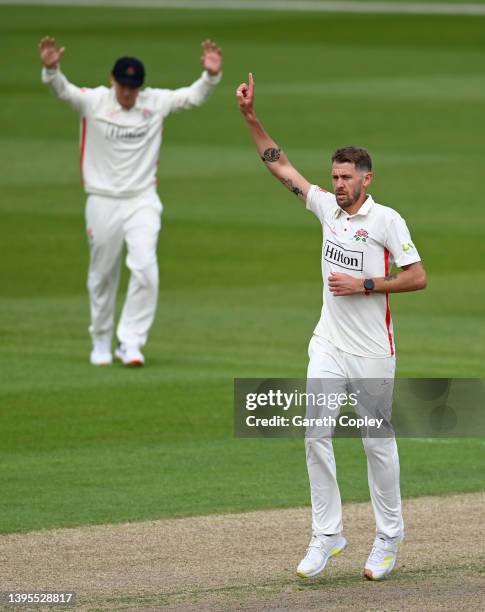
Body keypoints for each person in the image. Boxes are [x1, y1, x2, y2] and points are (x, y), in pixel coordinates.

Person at [236, 73, 427, 581]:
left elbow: (418, 277)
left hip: (372, 351)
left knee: (375, 441)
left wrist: (366, 285)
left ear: (367, 178)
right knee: (314, 433)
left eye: (347, 177)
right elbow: (282, 168)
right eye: (335, 176)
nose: (338, 184)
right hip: (328, 343)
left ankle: (389, 537)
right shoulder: (326, 209)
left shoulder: (387, 221)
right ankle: (328, 535)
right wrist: (252, 117)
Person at [38, 36, 222, 366]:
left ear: (140, 87)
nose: (127, 92)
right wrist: (52, 70)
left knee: (146, 268)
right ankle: (100, 339)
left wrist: (209, 76)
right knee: (102, 274)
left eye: (133, 87)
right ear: (113, 81)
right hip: (102, 199)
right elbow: (62, 90)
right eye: (123, 85)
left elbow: (191, 97)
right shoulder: (94, 101)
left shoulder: (154, 102)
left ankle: (130, 341)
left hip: (142, 199)